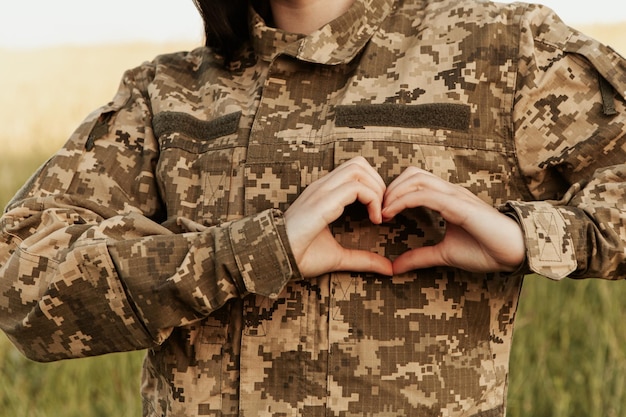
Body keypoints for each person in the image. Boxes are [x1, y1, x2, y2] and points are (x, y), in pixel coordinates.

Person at [1, 0, 625, 415]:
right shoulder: (166, 91)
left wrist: (530, 236)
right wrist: (250, 252)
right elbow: (19, 276)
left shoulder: (499, 49)